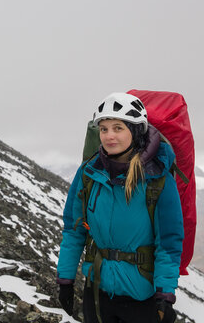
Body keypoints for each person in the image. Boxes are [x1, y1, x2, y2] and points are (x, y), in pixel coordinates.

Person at [56, 92, 184, 323]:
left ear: (135, 131)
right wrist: (65, 280)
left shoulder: (157, 178)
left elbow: (168, 243)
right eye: (104, 129)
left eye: (118, 128)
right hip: (97, 293)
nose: (109, 136)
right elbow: (74, 230)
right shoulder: (88, 173)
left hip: (142, 298)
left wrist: (165, 294)